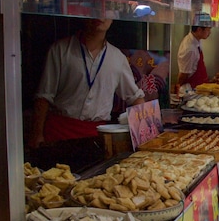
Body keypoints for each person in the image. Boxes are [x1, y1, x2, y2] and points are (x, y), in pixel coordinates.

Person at [29, 18, 145, 148]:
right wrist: (37, 134)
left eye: (106, 11)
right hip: (59, 132)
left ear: (113, 18)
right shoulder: (60, 49)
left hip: (97, 135)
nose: (100, 16)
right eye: (95, 10)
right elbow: (43, 96)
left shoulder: (118, 58)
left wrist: (145, 132)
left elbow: (135, 98)